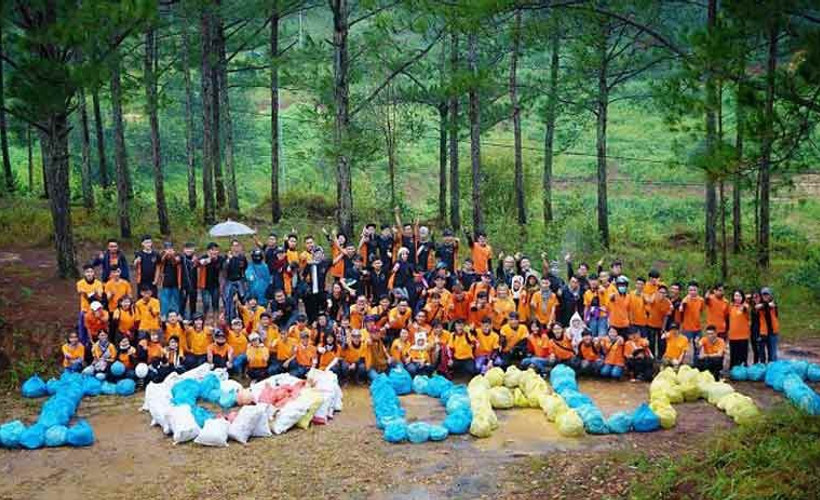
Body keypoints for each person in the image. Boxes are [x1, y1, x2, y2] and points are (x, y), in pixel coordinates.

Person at [76, 264, 104, 345]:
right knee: (82, 332)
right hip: (85, 310)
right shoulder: (80, 283)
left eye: (91, 271)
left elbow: (99, 295)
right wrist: (92, 294)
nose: (89, 274)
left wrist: (94, 295)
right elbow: (83, 293)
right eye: (87, 272)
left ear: (94, 273)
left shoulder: (98, 283)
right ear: (84, 273)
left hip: (96, 312)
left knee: (95, 332)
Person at [198, 242, 224, 323]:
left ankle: (215, 322)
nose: (214, 252)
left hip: (216, 285)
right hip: (204, 286)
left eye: (216, 250)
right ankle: (204, 322)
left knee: (215, 304)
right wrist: (209, 259)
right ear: (208, 251)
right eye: (212, 250)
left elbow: (225, 266)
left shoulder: (220, 259)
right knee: (206, 304)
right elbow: (198, 263)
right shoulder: (204, 258)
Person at [223, 239, 248, 322]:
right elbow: (224, 269)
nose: (235, 247)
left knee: (243, 300)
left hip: (240, 280)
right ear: (231, 247)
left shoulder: (242, 257)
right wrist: (228, 260)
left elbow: (245, 268)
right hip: (229, 281)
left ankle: (243, 320)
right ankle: (229, 319)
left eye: (237, 245)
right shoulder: (227, 256)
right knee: (228, 301)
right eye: (234, 245)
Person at [645, 284, 672, 358]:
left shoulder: (668, 303)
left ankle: (660, 357)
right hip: (650, 324)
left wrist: (663, 328)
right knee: (651, 342)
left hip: (660, 326)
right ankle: (652, 357)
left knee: (661, 343)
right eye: (660, 292)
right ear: (658, 292)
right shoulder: (653, 298)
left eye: (664, 293)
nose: (662, 294)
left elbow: (666, 316)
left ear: (666, 294)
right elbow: (648, 301)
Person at [680, 281, 705, 360]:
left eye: (694, 290)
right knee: (683, 347)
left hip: (697, 328)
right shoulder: (685, 300)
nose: (692, 292)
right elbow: (681, 310)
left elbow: (701, 311)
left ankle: (696, 363)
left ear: (697, 290)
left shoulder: (701, 300)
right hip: (687, 328)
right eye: (690, 290)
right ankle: (680, 362)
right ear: (688, 291)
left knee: (697, 347)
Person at [158, 241, 182, 320]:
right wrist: (166, 254)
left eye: (170, 248)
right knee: (164, 301)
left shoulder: (177, 255)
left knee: (175, 301)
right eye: (167, 248)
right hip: (165, 282)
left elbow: (176, 261)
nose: (169, 250)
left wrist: (172, 255)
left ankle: (175, 316)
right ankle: (164, 316)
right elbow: (160, 261)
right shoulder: (161, 255)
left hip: (175, 282)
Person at [727, 289, 751, 367]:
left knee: (743, 358)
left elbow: (745, 308)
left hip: (743, 336)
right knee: (733, 357)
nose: (737, 298)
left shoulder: (746, 306)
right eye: (736, 296)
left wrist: (744, 304)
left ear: (742, 297)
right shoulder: (730, 306)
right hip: (733, 336)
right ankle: (733, 373)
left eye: (739, 296)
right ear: (733, 297)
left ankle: (743, 373)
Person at [756, 287, 780, 362]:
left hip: (773, 332)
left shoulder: (773, 303)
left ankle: (772, 370)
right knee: (762, 355)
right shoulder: (759, 304)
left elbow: (772, 305)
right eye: (764, 295)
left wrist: (765, 305)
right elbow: (757, 307)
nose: (765, 296)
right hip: (763, 333)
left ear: (770, 295)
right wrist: (765, 305)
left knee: (772, 355)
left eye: (767, 294)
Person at [179, 242, 199, 320]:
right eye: (187, 249)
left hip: (194, 285)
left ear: (194, 249)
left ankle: (193, 320)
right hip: (183, 285)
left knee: (193, 304)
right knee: (182, 304)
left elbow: (202, 262)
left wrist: (196, 261)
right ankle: (181, 321)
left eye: (191, 249)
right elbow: (174, 259)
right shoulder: (181, 258)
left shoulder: (196, 259)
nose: (189, 250)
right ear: (184, 250)